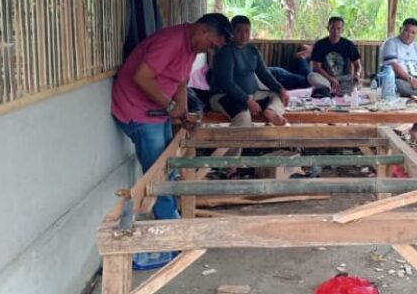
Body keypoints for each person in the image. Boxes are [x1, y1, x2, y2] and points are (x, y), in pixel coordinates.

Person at [111, 13, 232, 220]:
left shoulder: (190, 47)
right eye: (211, 44)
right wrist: (169, 105)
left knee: (169, 166)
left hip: (158, 111)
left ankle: (171, 216)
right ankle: (171, 227)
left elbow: (181, 82)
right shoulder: (171, 41)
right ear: (203, 30)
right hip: (137, 110)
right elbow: (141, 77)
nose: (209, 50)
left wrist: (183, 114)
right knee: (159, 177)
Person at [210, 15, 290, 126]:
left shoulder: (253, 50)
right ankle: (236, 138)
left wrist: (281, 89)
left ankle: (271, 111)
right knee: (244, 116)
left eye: (247, 31)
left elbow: (264, 74)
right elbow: (227, 83)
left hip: (252, 95)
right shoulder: (225, 52)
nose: (244, 35)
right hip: (223, 96)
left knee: (277, 96)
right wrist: (247, 100)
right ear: (232, 32)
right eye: (239, 31)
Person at [380, 17, 417, 144]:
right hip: (396, 78)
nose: (409, 35)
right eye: (406, 31)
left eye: (413, 32)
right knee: (406, 88)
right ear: (401, 29)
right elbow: (394, 66)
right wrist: (410, 79)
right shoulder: (391, 43)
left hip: (414, 80)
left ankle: (415, 130)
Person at [308, 16, 362, 96]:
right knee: (311, 76)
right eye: (332, 28)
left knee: (357, 84)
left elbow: (357, 64)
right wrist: (331, 79)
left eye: (339, 29)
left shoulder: (348, 44)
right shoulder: (320, 44)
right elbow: (317, 67)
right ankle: (330, 88)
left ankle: (326, 90)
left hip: (343, 78)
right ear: (328, 29)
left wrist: (357, 74)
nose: (335, 31)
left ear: (342, 30)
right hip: (325, 78)